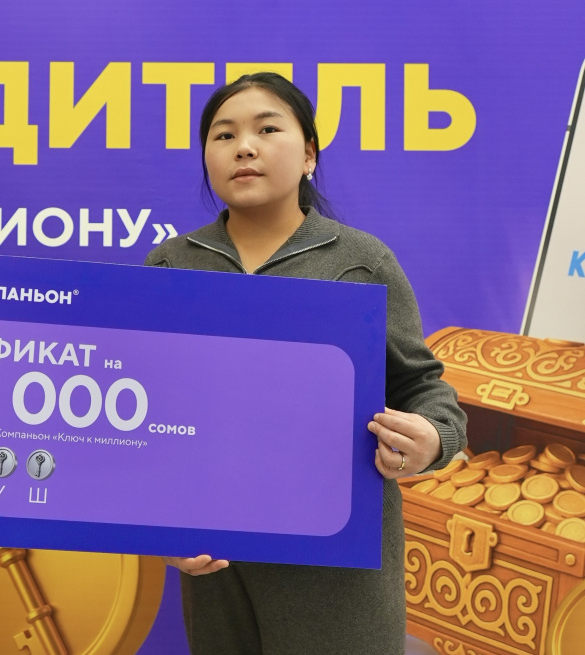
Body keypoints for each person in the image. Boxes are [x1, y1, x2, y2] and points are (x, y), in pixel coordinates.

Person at [145, 73, 467, 655]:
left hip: (337, 571)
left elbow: (424, 386)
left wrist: (432, 439)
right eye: (224, 135)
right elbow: (143, 410)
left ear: (310, 155)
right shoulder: (171, 264)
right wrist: (158, 525)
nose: (245, 147)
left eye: (268, 129)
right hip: (217, 564)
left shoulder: (360, 261)